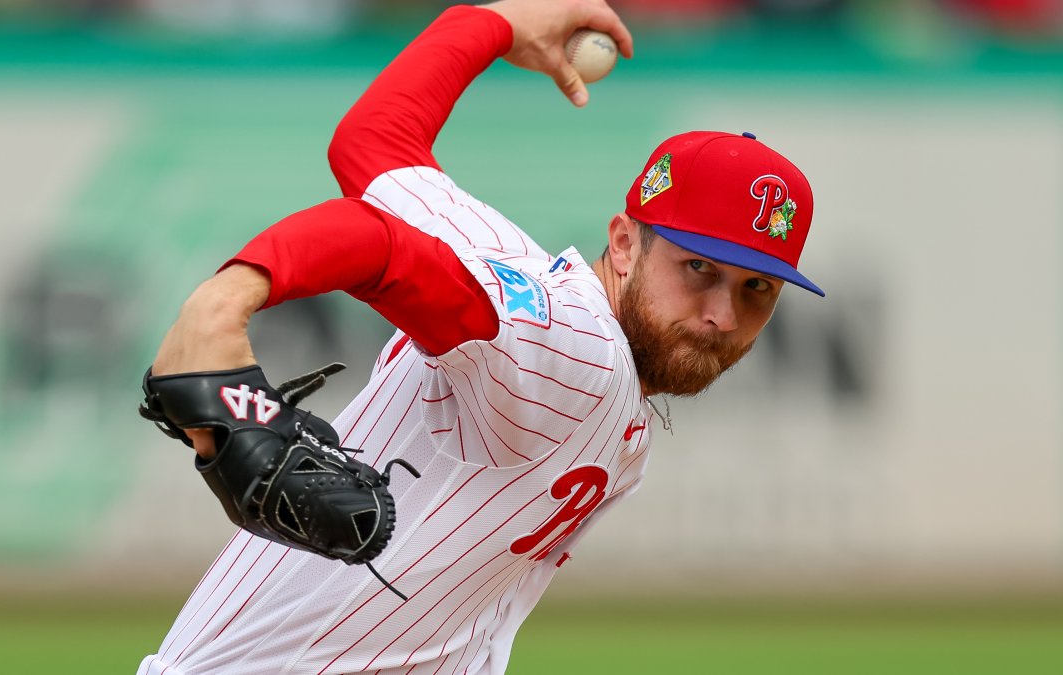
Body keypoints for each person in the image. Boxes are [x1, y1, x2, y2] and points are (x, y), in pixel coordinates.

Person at [137, 0, 823, 672]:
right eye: (698, 268)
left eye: (755, 288)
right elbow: (385, 249)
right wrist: (221, 305)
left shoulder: (511, 260)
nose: (722, 316)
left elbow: (373, 145)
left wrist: (491, 23)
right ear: (622, 243)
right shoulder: (576, 353)